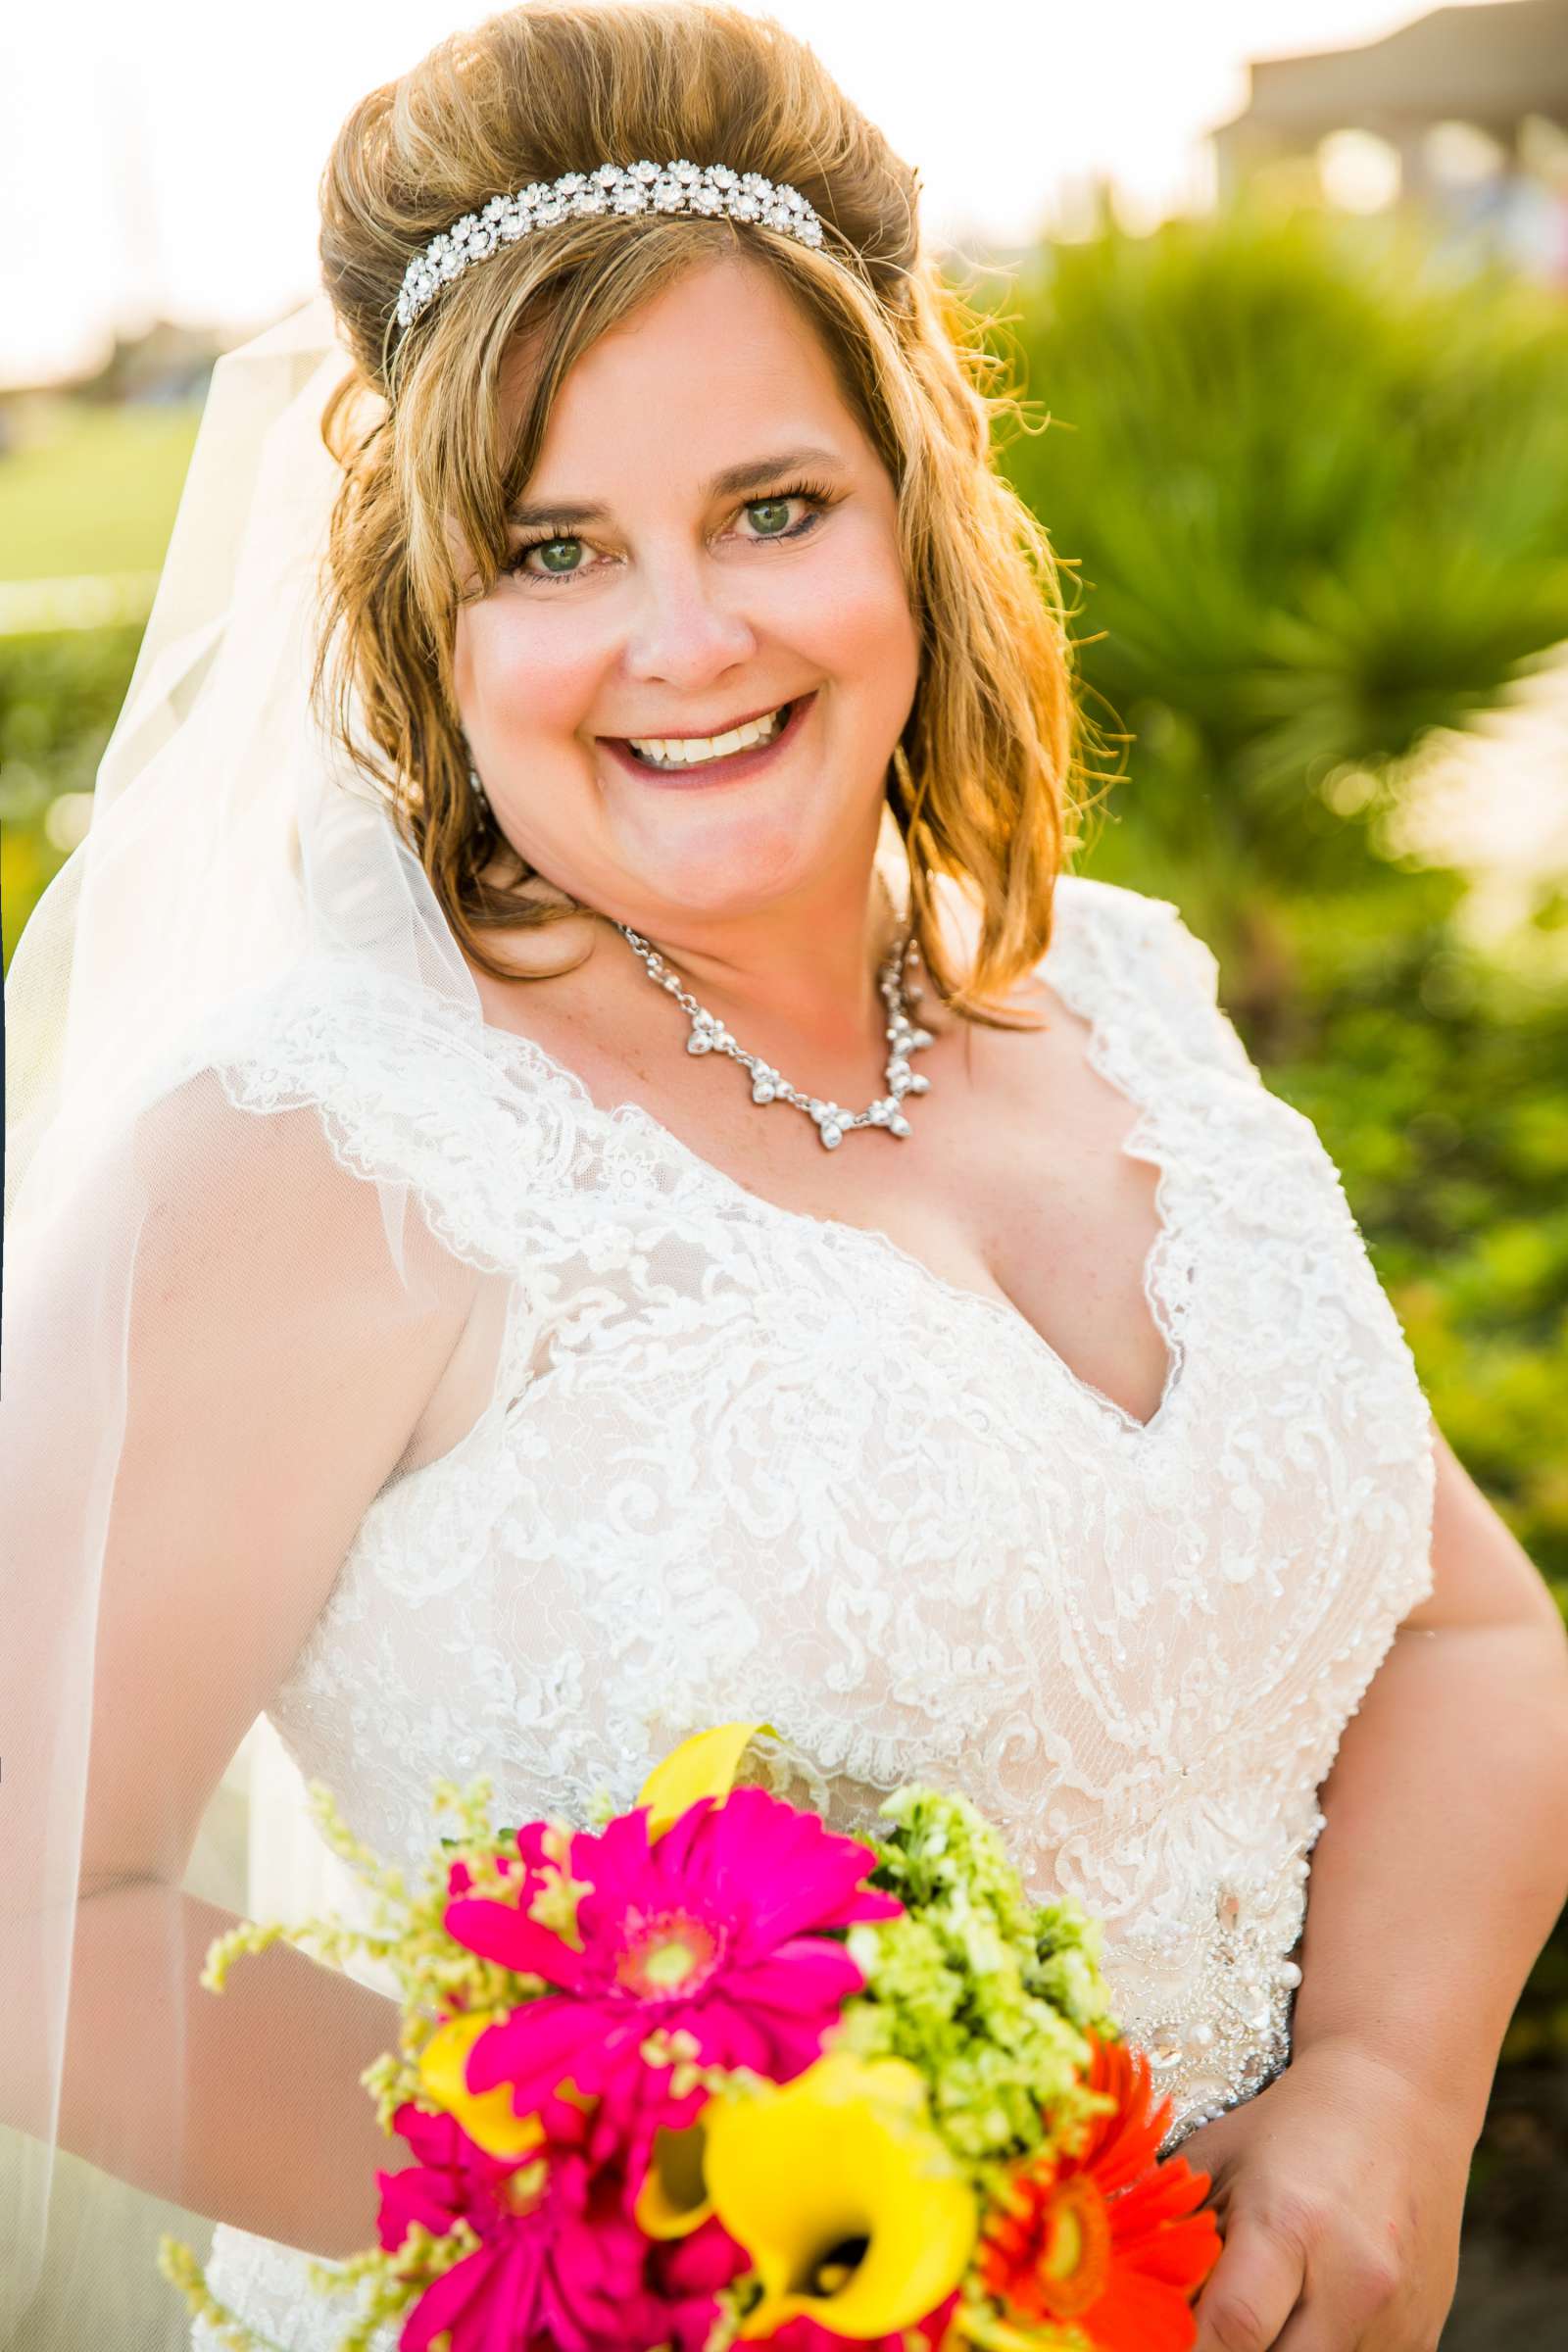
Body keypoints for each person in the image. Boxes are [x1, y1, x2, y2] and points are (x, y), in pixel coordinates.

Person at [3, 6, 1566, 2350]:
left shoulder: (1117, 1000)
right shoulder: (319, 1154)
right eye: (552, 544)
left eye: (771, 506)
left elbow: (1457, 1626)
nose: (683, 638)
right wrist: (694, 2264)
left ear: (910, 511)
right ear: (434, 617)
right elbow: (42, 1902)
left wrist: (1384, 2083)